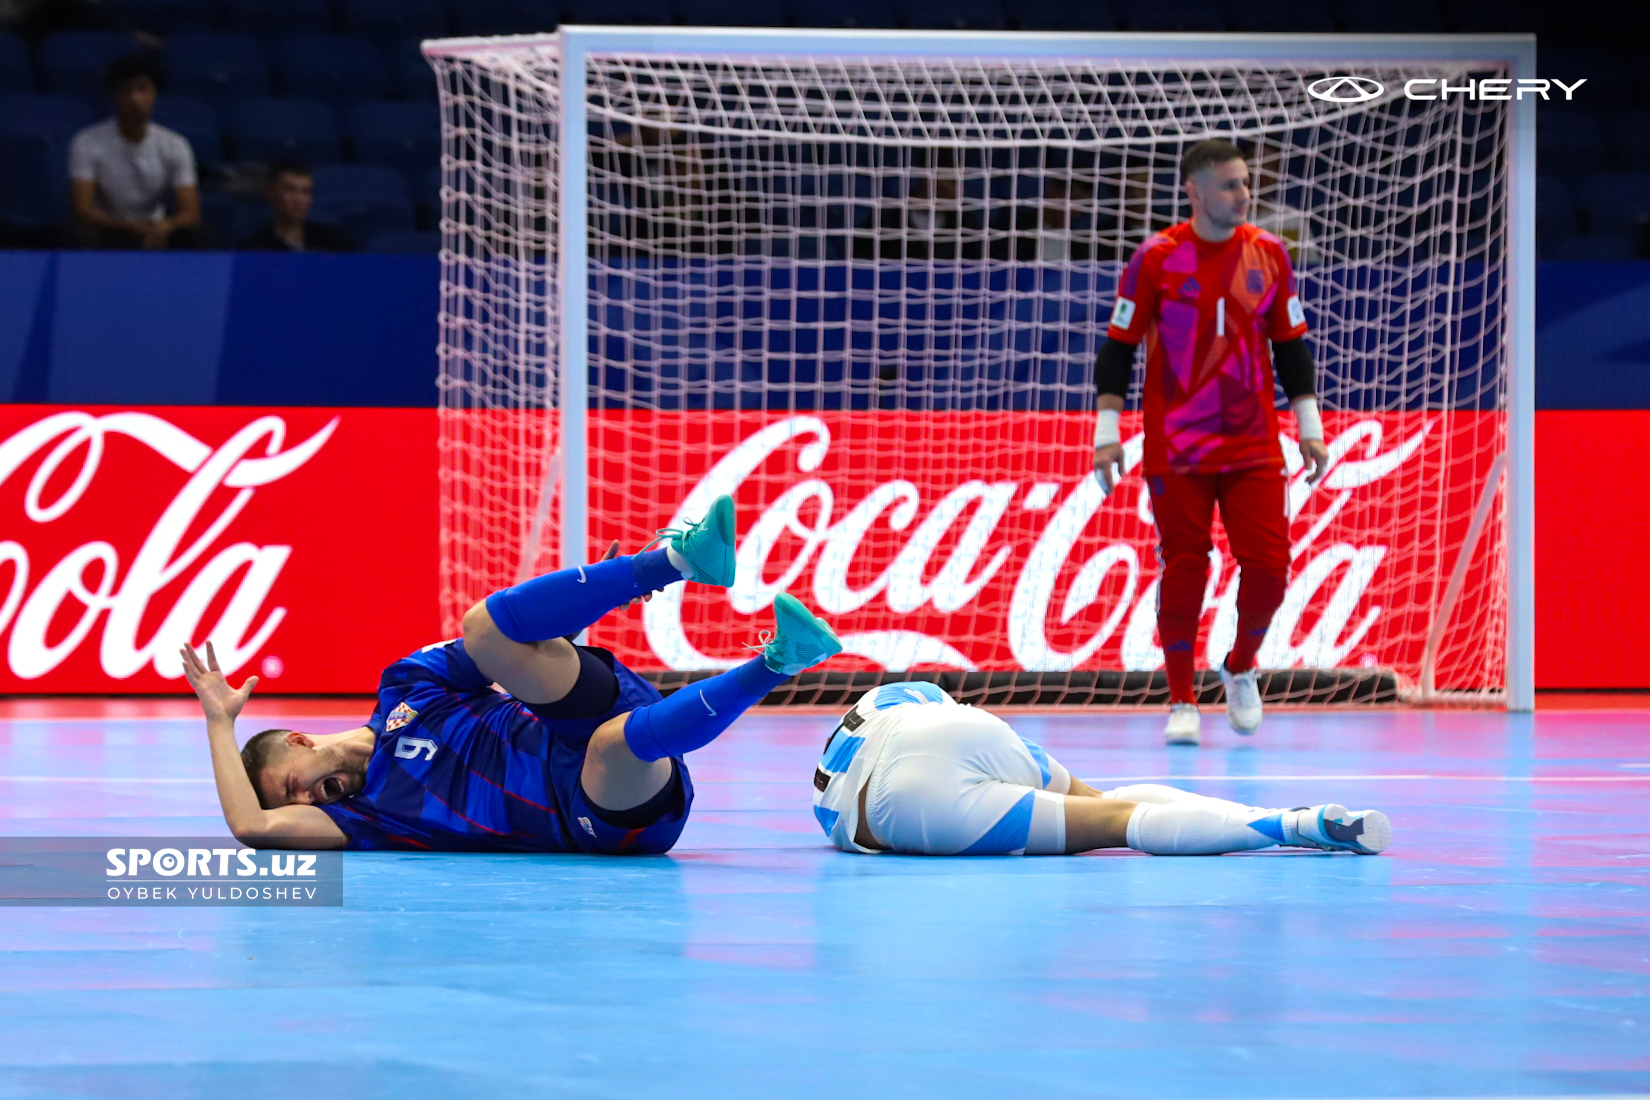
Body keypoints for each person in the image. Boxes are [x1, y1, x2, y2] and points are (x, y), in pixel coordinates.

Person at [183, 495, 845, 853]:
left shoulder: (404, 689)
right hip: (597, 813)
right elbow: (254, 830)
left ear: (300, 742)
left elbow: (506, 645)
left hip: (565, 718)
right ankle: (780, 659)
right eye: (295, 806)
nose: (306, 803)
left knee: (486, 626)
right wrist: (219, 721)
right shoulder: (370, 819)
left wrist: (582, 603)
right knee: (614, 743)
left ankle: (674, 561)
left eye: (290, 787)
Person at [1090, 138, 1331, 747]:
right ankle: (1181, 697)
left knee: (1272, 569)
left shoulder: (1270, 253)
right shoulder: (1156, 258)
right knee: (1186, 568)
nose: (1244, 195)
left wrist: (1309, 427)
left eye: (1246, 182)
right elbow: (1118, 349)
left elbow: (1291, 345)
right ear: (1194, 191)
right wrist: (1107, 434)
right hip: (1177, 445)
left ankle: (1240, 665)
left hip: (1252, 443)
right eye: (1229, 185)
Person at [813, 683, 1390, 857]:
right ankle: (1289, 819)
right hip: (949, 729)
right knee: (1106, 801)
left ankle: (1291, 827)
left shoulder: (821, 788)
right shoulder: (899, 696)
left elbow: (830, 821)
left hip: (877, 815)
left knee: (1115, 823)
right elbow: (934, 706)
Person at [68, 54, 208, 249]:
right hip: (110, 228)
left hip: (154, 227)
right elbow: (83, 209)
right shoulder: (86, 142)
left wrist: (167, 225)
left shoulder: (175, 144)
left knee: (199, 235)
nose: (135, 99)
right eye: (126, 91)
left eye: (142, 89)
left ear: (154, 94)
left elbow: (190, 211)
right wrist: (127, 226)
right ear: (114, 96)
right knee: (79, 235)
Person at [238, 160, 354, 252]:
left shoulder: (333, 242)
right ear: (270, 193)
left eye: (306, 191)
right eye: (290, 190)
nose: (299, 200)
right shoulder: (255, 247)